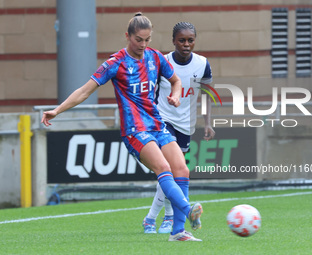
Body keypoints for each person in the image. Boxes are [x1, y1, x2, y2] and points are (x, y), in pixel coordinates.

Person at [41, 13, 203, 242]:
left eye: (147, 40)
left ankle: (178, 233)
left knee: (182, 169)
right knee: (163, 167)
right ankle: (188, 211)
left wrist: (176, 96)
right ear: (127, 36)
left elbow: (176, 81)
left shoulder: (156, 58)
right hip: (135, 130)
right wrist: (57, 110)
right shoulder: (115, 63)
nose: (143, 45)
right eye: (139, 39)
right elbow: (84, 91)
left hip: (157, 124)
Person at [142, 22, 215, 234]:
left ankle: (152, 218)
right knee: (171, 170)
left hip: (186, 123)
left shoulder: (202, 64)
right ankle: (167, 218)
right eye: (181, 40)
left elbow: (208, 94)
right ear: (173, 41)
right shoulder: (162, 62)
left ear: (195, 41)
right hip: (162, 120)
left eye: (190, 40)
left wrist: (207, 122)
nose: (186, 44)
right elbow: (148, 91)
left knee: (172, 173)